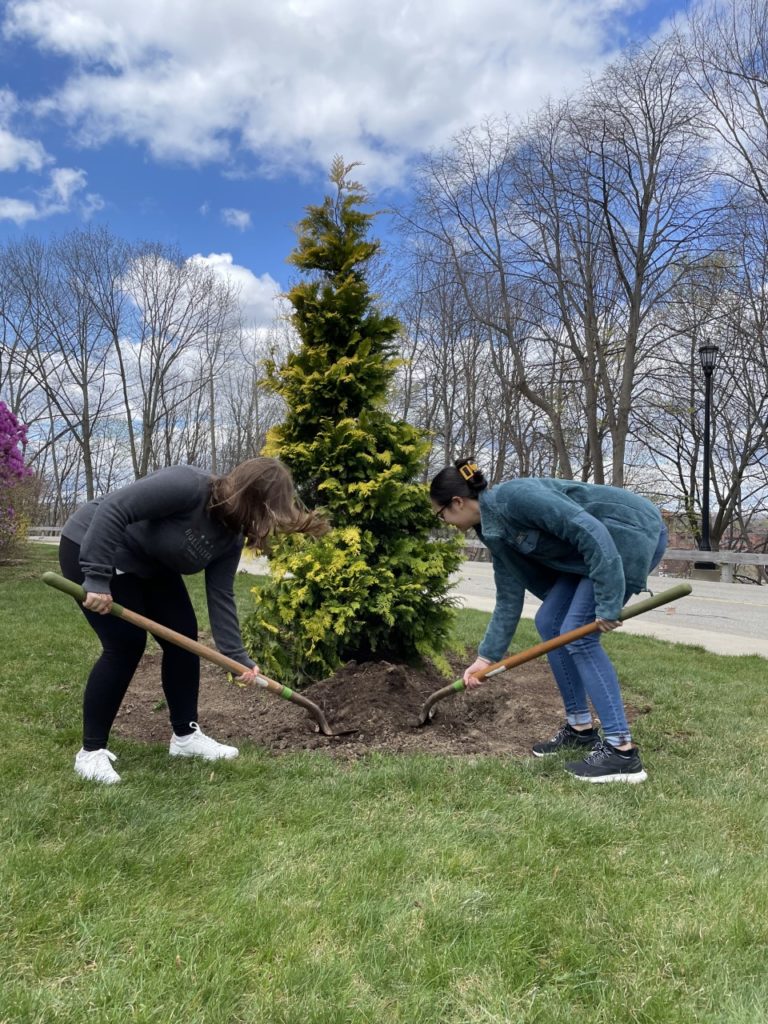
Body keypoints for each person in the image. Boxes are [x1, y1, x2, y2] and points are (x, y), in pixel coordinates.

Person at [59, 457, 328, 784]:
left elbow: (221, 595)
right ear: (251, 498)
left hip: (149, 563)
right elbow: (114, 509)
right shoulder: (187, 485)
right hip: (94, 544)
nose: (267, 527)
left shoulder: (231, 537)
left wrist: (237, 659)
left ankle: (185, 738)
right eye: (268, 515)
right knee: (126, 645)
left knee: (184, 640)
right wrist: (98, 577)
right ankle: (90, 753)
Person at [430, 459, 668, 783]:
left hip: (627, 535)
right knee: (549, 621)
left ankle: (622, 752)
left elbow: (590, 530)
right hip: (588, 556)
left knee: (577, 633)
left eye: (440, 513)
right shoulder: (492, 530)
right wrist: (486, 657)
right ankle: (581, 728)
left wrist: (609, 600)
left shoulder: (515, 497)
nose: (443, 520)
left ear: (456, 503)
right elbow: (508, 598)